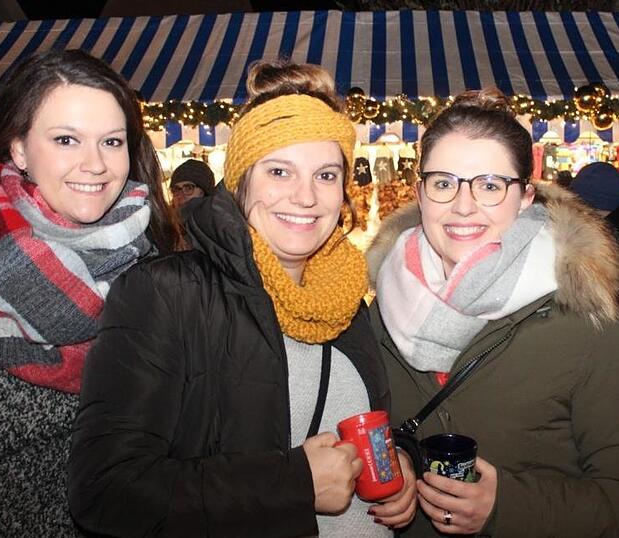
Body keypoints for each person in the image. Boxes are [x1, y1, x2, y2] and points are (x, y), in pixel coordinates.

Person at [67, 60, 416, 537]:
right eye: (279, 171)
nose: (306, 197)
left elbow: (357, 429)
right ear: (241, 181)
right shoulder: (166, 293)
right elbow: (106, 492)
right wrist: (293, 484)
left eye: (327, 175)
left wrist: (398, 464)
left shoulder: (346, 301)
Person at [0, 49, 180, 536]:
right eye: (66, 139)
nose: (95, 164)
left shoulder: (153, 268)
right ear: (20, 149)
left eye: (111, 141)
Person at [367, 89, 619, 537]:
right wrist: (401, 463)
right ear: (420, 193)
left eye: (490, 185)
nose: (463, 205)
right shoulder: (382, 309)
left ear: (525, 196)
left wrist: (505, 507)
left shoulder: (584, 317)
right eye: (444, 182)